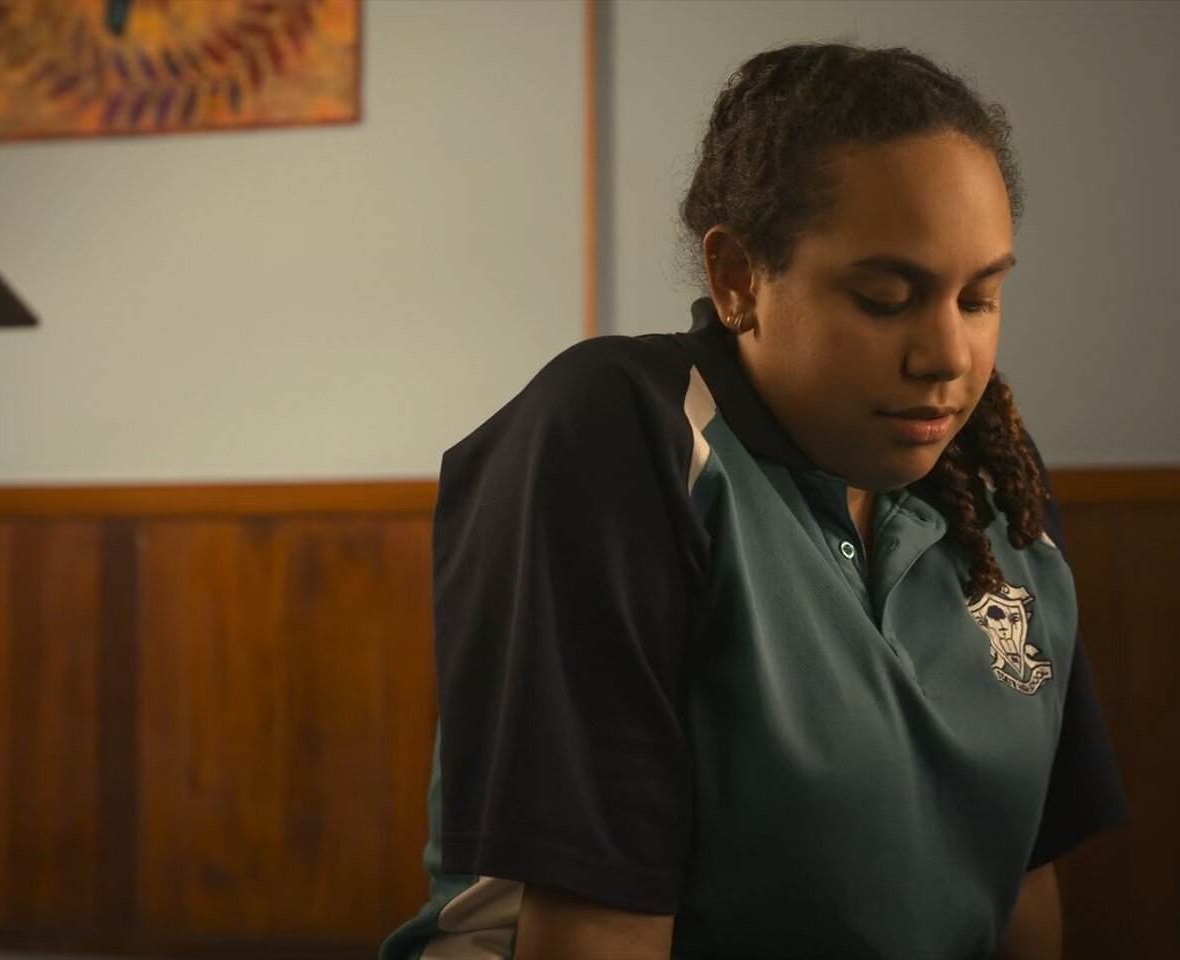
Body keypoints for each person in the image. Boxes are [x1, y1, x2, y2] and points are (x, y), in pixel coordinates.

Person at [381, 42, 1128, 960]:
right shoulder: (627, 436)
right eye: (885, 298)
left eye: (979, 299)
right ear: (738, 278)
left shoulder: (996, 483)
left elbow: (1020, 880)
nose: (947, 356)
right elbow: (597, 930)